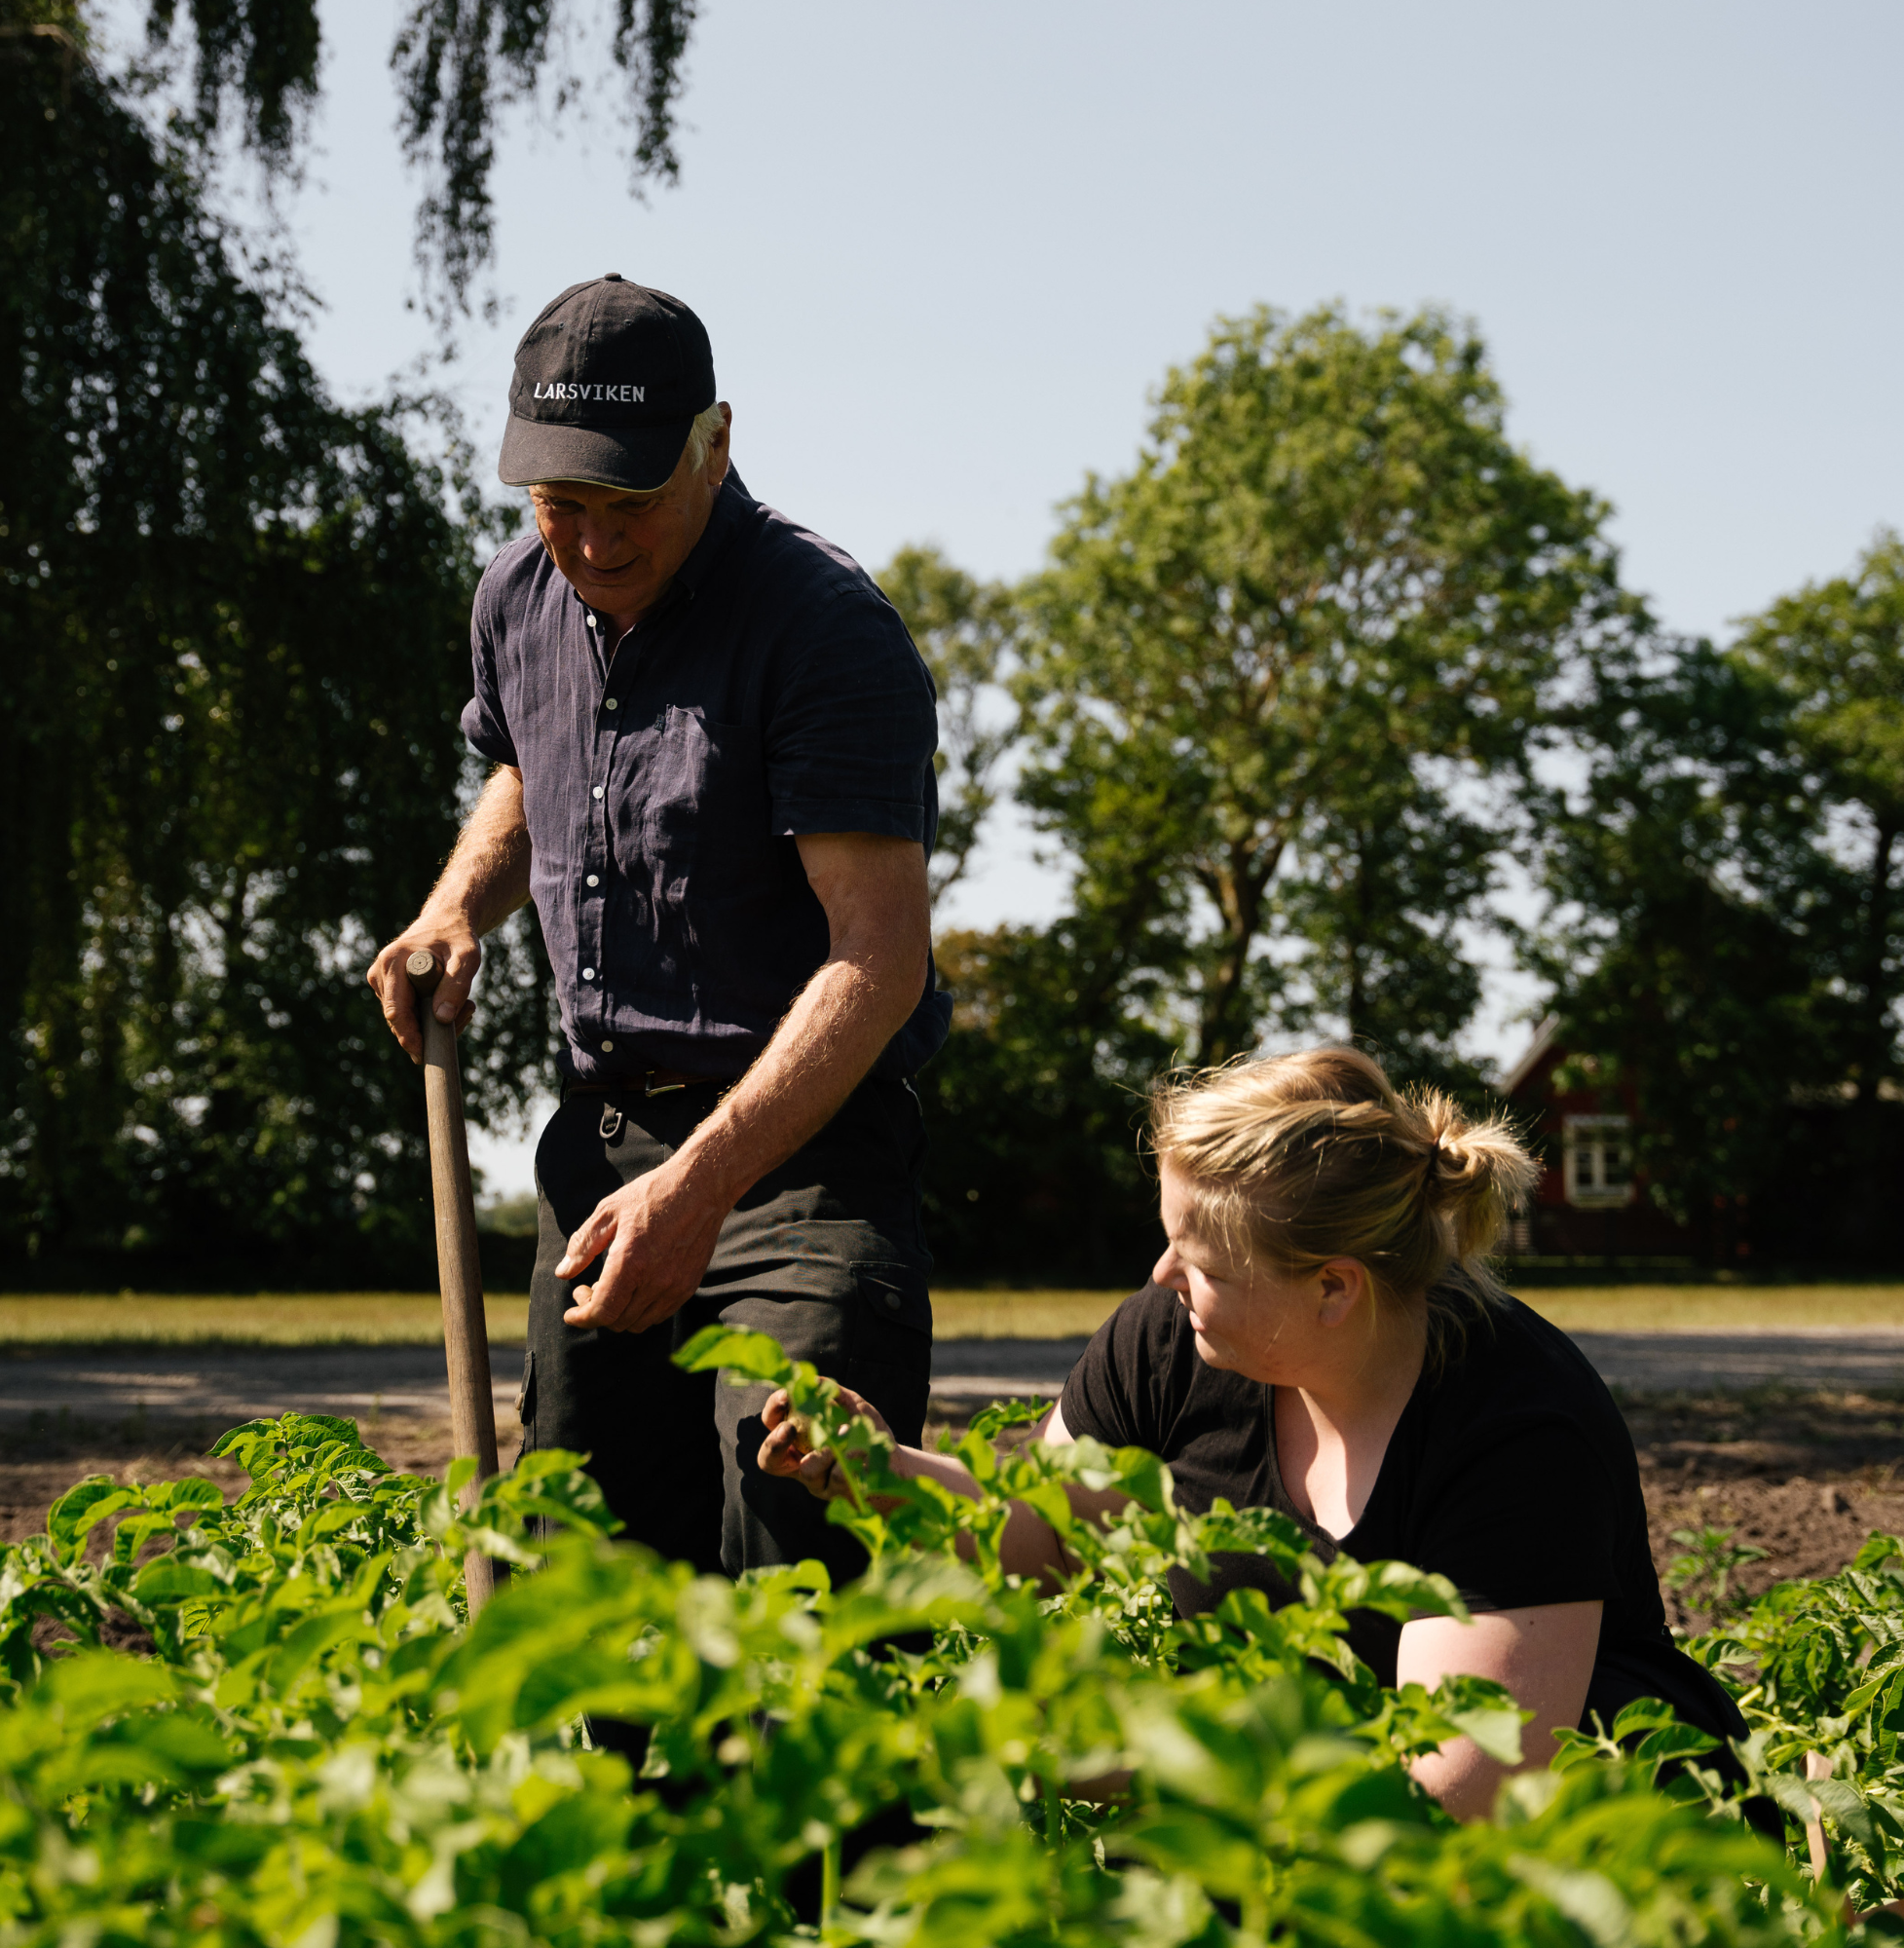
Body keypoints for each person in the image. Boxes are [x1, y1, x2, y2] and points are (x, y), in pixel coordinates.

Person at [761, 1046, 1750, 1821]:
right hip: (1288, 1807)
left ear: (1331, 1286)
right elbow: (1046, 1536)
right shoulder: (1171, 1341)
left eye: (1201, 1260)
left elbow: (1454, 1794)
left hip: (1577, 1837)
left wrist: (1129, 1768)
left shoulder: (1516, 1425)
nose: (1159, 1275)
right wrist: (881, 1470)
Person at [366, 274, 950, 1586]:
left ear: (717, 442)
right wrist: (458, 904)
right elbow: (528, 767)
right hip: (605, 1142)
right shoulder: (519, 597)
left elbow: (880, 956)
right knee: (585, 1579)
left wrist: (703, 1189)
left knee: (805, 1536)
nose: (593, 543)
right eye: (558, 503)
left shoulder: (823, 630)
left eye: (629, 503)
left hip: (804, 1158)